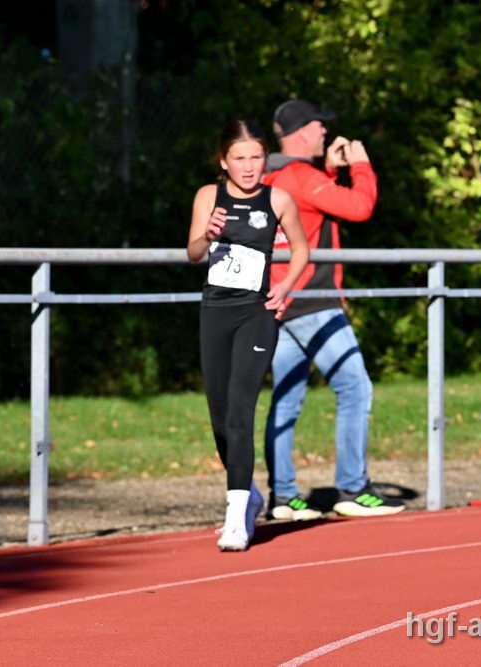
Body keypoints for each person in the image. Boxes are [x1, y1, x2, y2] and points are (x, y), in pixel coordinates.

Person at [261, 99, 404, 519]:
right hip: (312, 299)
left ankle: (283, 497)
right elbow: (359, 207)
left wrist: (329, 170)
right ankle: (353, 488)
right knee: (355, 388)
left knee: (286, 399)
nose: (325, 133)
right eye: (320, 127)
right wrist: (360, 166)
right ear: (303, 131)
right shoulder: (298, 175)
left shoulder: (273, 173)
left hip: (281, 299)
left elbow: (309, 209)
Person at [187, 119, 309, 551]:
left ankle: (236, 516)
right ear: (224, 161)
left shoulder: (277, 199)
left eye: (256, 157)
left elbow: (300, 248)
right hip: (215, 313)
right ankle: (250, 493)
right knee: (220, 420)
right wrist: (209, 233)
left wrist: (286, 286)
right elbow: (193, 253)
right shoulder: (208, 196)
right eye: (239, 158)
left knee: (241, 412)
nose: (248, 166)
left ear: (265, 160)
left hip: (255, 315)